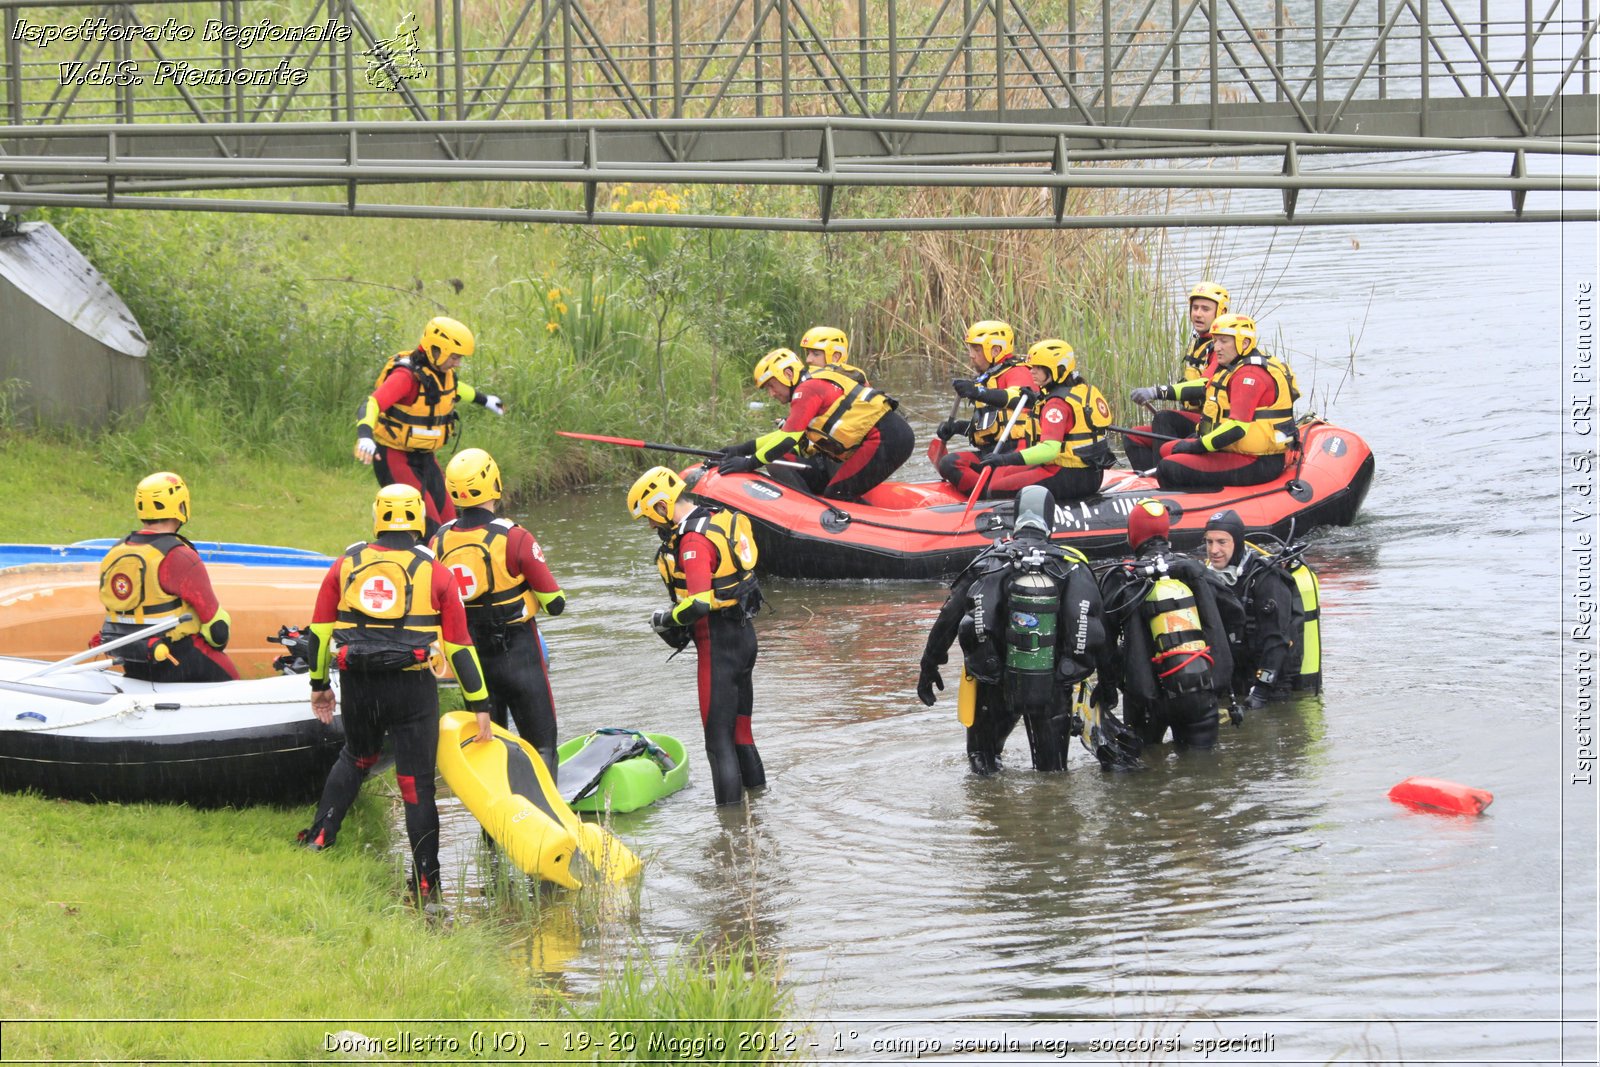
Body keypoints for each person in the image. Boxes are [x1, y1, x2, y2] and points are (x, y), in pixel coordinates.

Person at [297, 483, 492, 908]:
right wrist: (480, 705)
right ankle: (426, 885)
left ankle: (321, 837)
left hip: (361, 683)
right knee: (416, 783)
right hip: (412, 688)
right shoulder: (436, 573)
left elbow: (319, 632)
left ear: (377, 517)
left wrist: (319, 685)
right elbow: (459, 647)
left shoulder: (345, 564)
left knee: (357, 756)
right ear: (420, 520)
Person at [916, 486, 1136, 774]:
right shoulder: (1071, 565)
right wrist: (1108, 685)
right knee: (1052, 775)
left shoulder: (990, 561)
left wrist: (929, 666)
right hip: (1053, 685)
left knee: (984, 766)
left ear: (1015, 518)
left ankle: (994, 815)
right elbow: (1097, 631)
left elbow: (949, 616)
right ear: (1050, 520)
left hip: (994, 683)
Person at [627, 465, 765, 806]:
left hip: (718, 646)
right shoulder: (717, 517)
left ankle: (729, 834)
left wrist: (663, 618)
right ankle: (759, 807)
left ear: (662, 506)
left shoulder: (691, 540)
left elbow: (699, 604)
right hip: (744, 637)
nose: (650, 526)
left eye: (650, 518)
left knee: (717, 742)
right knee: (741, 732)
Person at [431, 448, 567, 776]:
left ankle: (494, 829)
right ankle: (544, 819)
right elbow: (555, 603)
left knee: (490, 750)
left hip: (472, 658)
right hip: (519, 653)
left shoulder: (439, 540)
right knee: (542, 745)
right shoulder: (514, 537)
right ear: (494, 483)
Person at [1097, 498, 1235, 749]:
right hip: (1197, 690)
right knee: (1202, 774)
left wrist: (1108, 690)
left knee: (1147, 773)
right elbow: (1234, 612)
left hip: (1146, 696)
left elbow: (1102, 642)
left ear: (1133, 534)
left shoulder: (1121, 579)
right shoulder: (1192, 570)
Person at [353, 316, 506, 538]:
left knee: (451, 521)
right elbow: (372, 403)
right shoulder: (405, 377)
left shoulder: (441, 373)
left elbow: (455, 389)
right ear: (437, 349)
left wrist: (485, 400)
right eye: (454, 357)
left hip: (425, 458)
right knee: (430, 526)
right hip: (394, 457)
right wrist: (365, 436)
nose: (457, 363)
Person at [95, 471, 239, 682]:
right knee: (232, 680)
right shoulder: (178, 556)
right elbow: (217, 628)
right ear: (180, 506)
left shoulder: (115, 552)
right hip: (179, 657)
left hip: (132, 658)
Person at [717, 348, 914, 501]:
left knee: (838, 494)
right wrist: (741, 449)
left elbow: (788, 439)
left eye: (771, 385)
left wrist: (749, 463)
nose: (771, 393)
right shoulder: (807, 387)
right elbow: (786, 434)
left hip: (887, 439)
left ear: (787, 374)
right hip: (883, 438)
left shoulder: (808, 390)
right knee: (834, 491)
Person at [1129, 313, 1299, 490]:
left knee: (1169, 466)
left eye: (1223, 341)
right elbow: (1200, 386)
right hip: (1234, 450)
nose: (1217, 347)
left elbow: (1237, 428)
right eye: (1215, 341)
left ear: (1245, 343)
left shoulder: (1249, 375)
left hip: (1259, 461)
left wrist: (1198, 446)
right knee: (1167, 450)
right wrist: (1156, 392)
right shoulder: (1231, 366)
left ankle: (1182, 503)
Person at [952, 339, 1117, 503]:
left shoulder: (1056, 405)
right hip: (1091, 472)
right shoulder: (1080, 389)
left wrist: (1004, 459)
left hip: (1069, 474)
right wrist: (1035, 400)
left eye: (1039, 368)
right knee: (1003, 473)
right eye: (1032, 367)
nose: (1032, 372)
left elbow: (1049, 450)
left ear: (1056, 370)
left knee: (994, 488)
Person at [1200, 509, 1323, 704]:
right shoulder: (1209, 578)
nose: (1213, 550)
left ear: (1238, 542)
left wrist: (1261, 690)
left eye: (1222, 542)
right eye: (1209, 542)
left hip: (1273, 685)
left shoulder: (1266, 578)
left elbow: (1277, 640)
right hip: (1236, 679)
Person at [1123, 281, 1229, 470]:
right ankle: (1146, 482)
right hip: (1194, 420)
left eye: (1205, 309)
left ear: (1220, 312)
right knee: (1132, 435)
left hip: (1213, 424)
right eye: (1195, 308)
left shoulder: (1222, 349)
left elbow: (1203, 386)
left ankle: (1164, 477)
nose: (1198, 313)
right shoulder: (1198, 343)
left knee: (1164, 418)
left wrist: (1157, 391)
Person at [934, 320, 1035, 488]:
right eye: (970, 348)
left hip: (1017, 453)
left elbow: (1018, 399)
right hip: (992, 452)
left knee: (956, 466)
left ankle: (987, 494)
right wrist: (958, 428)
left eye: (977, 349)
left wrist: (977, 392)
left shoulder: (1018, 371)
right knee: (949, 463)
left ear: (996, 350)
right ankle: (983, 492)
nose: (971, 355)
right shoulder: (986, 379)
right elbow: (991, 425)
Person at [797, 325, 869, 385]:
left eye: (816, 354)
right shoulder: (806, 380)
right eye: (808, 354)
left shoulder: (856, 378)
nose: (808, 360)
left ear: (835, 357)